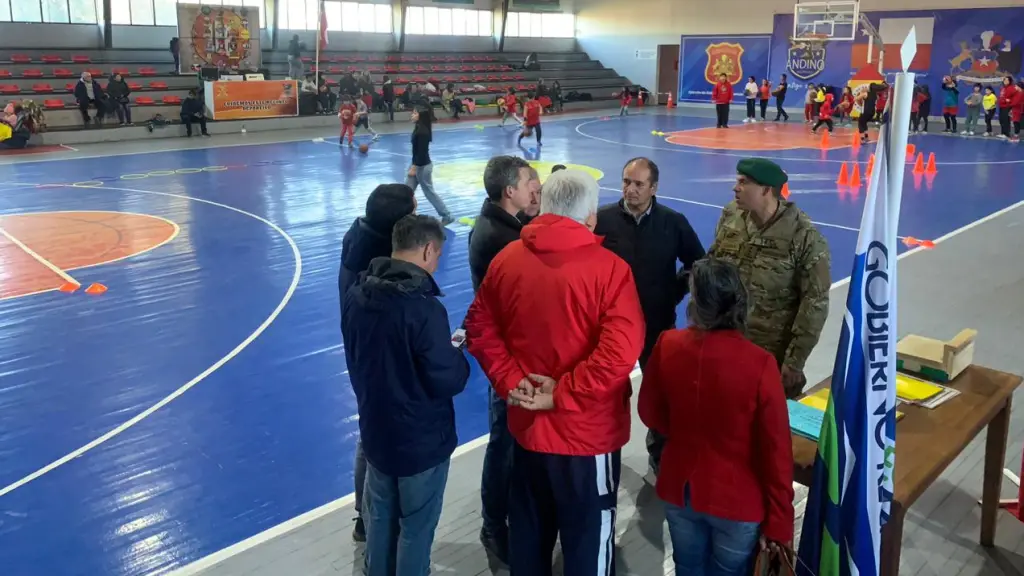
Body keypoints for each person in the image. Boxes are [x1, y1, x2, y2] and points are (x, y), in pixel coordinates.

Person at [465, 169, 645, 576]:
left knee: (529, 537)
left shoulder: (507, 260)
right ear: (590, 217)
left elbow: (478, 327)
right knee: (588, 545)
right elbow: (620, 353)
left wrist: (512, 381)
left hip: (528, 430)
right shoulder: (610, 270)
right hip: (587, 437)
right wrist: (562, 394)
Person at [638, 258, 794, 575]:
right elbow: (776, 451)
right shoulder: (760, 364)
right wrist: (780, 522)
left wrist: (684, 429)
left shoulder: (667, 344)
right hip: (736, 501)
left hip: (680, 489)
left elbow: (649, 412)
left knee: (688, 567)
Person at [342, 214, 470, 576]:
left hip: (376, 431)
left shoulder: (356, 294)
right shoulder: (424, 309)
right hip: (420, 441)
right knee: (415, 528)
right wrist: (457, 356)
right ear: (429, 249)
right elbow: (447, 379)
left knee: (379, 516)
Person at [594, 157, 705, 474]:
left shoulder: (674, 222)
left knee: (660, 392)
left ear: (654, 188)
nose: (630, 189)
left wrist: (674, 291)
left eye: (638, 184)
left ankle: (660, 452)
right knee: (605, 391)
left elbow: (697, 262)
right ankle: (603, 449)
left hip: (656, 324)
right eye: (626, 181)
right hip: (609, 328)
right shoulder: (602, 221)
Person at [469, 156, 541, 563]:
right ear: (509, 191)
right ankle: (494, 525)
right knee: (504, 442)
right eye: (529, 183)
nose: (535, 189)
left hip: (509, 351)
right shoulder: (502, 236)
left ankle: (502, 518)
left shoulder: (501, 224)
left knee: (509, 440)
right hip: (509, 357)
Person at [708, 158, 830, 399]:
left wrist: (795, 361)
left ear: (766, 190)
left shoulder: (804, 237)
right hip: (727, 343)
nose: (735, 188)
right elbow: (715, 264)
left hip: (771, 354)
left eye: (743, 183)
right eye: (736, 181)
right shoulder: (731, 215)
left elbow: (814, 303)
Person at [337, 184, 418, 542]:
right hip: (378, 357)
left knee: (370, 434)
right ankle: (373, 516)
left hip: (361, 349)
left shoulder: (357, 235)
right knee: (374, 439)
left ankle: (365, 515)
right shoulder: (381, 266)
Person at [406, 108, 453, 225]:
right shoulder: (418, 128)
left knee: (429, 192)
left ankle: (447, 215)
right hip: (417, 164)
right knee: (407, 192)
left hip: (421, 167)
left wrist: (414, 167)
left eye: (415, 113)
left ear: (421, 115)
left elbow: (421, 153)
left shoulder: (422, 132)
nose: (412, 114)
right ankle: (409, 215)